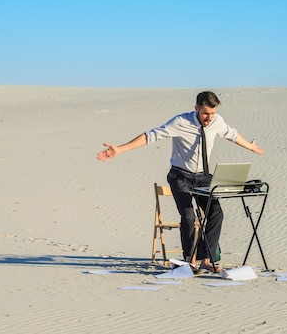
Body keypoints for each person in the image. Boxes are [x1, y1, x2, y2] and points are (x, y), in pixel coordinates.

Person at [97, 91, 264, 273]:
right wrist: (120, 149)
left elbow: (232, 134)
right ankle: (189, 261)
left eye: (212, 114)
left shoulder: (217, 121)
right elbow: (150, 135)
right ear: (196, 108)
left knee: (216, 213)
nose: (209, 118)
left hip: (203, 177)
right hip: (180, 176)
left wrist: (250, 146)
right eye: (205, 113)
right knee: (189, 217)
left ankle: (206, 260)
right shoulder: (180, 122)